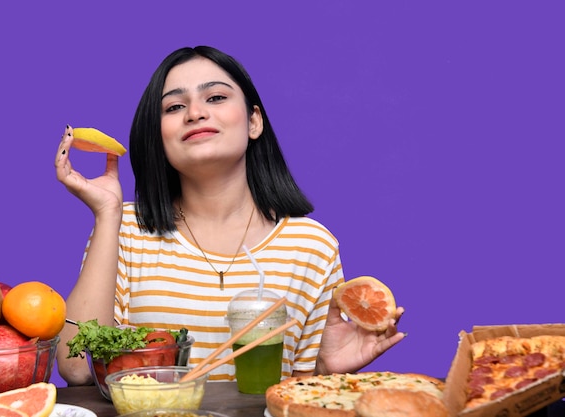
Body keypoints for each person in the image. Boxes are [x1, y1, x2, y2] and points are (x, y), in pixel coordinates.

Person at [55, 45, 405, 386]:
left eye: (216, 98)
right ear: (157, 137)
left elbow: (297, 397)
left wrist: (325, 369)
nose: (195, 113)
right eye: (175, 106)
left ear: (254, 121)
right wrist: (107, 213)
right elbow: (77, 368)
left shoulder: (312, 247)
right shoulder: (126, 229)